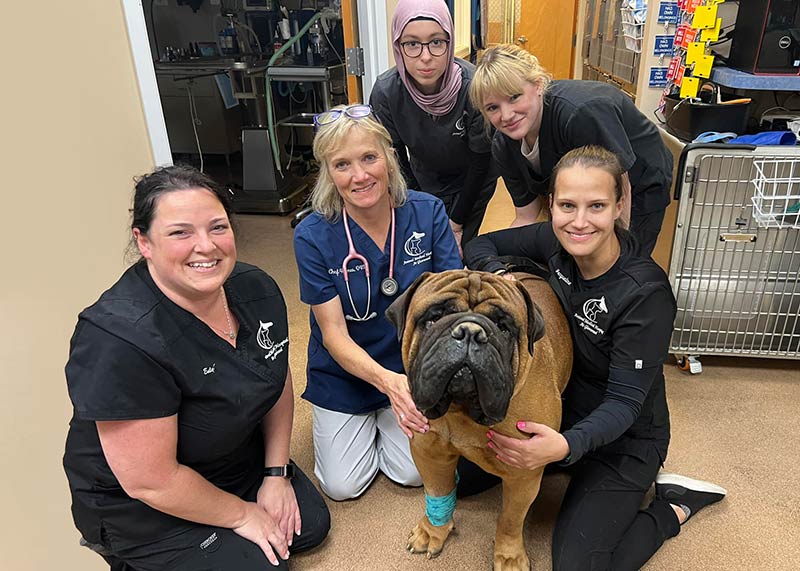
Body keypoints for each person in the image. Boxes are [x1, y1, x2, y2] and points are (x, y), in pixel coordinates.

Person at [464, 146, 726, 571]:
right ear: (551, 205)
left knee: (579, 566)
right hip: (563, 408)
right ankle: (566, 462)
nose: (580, 221)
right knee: (464, 478)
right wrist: (502, 276)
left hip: (625, 437)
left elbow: (625, 404)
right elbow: (480, 244)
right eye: (567, 205)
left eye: (597, 206)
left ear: (620, 206)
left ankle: (673, 506)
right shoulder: (554, 238)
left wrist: (564, 447)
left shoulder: (644, 293)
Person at [63, 165, 330, 571]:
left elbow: (274, 376)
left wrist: (275, 474)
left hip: (229, 459)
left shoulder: (255, 288)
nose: (205, 246)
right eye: (180, 232)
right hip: (143, 501)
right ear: (144, 241)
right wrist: (243, 515)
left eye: (218, 227)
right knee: (261, 565)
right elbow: (149, 480)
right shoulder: (118, 339)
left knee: (309, 526)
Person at [293, 105, 463, 501]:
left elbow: (450, 302)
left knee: (412, 474)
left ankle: (382, 421)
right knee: (342, 486)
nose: (360, 175)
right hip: (345, 371)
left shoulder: (427, 212)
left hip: (409, 363)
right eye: (342, 164)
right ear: (328, 173)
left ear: (388, 156)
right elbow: (333, 334)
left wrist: (418, 379)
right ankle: (360, 418)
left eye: (369, 157)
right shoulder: (312, 235)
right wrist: (388, 384)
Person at [469, 43, 673, 256]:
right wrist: (508, 261)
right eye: (492, 107)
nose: (507, 115)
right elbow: (526, 217)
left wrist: (614, 261)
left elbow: (620, 190)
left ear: (538, 85)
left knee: (623, 256)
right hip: (583, 190)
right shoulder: (503, 145)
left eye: (514, 97)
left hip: (639, 181)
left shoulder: (579, 114)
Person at [369, 0, 498, 254]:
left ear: (449, 44)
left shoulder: (474, 87)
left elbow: (480, 163)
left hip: (472, 182)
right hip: (420, 178)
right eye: (412, 44)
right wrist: (421, 208)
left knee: (459, 252)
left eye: (437, 42)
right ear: (398, 46)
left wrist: (457, 223)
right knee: (422, 249)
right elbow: (395, 161)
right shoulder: (386, 93)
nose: (425, 57)